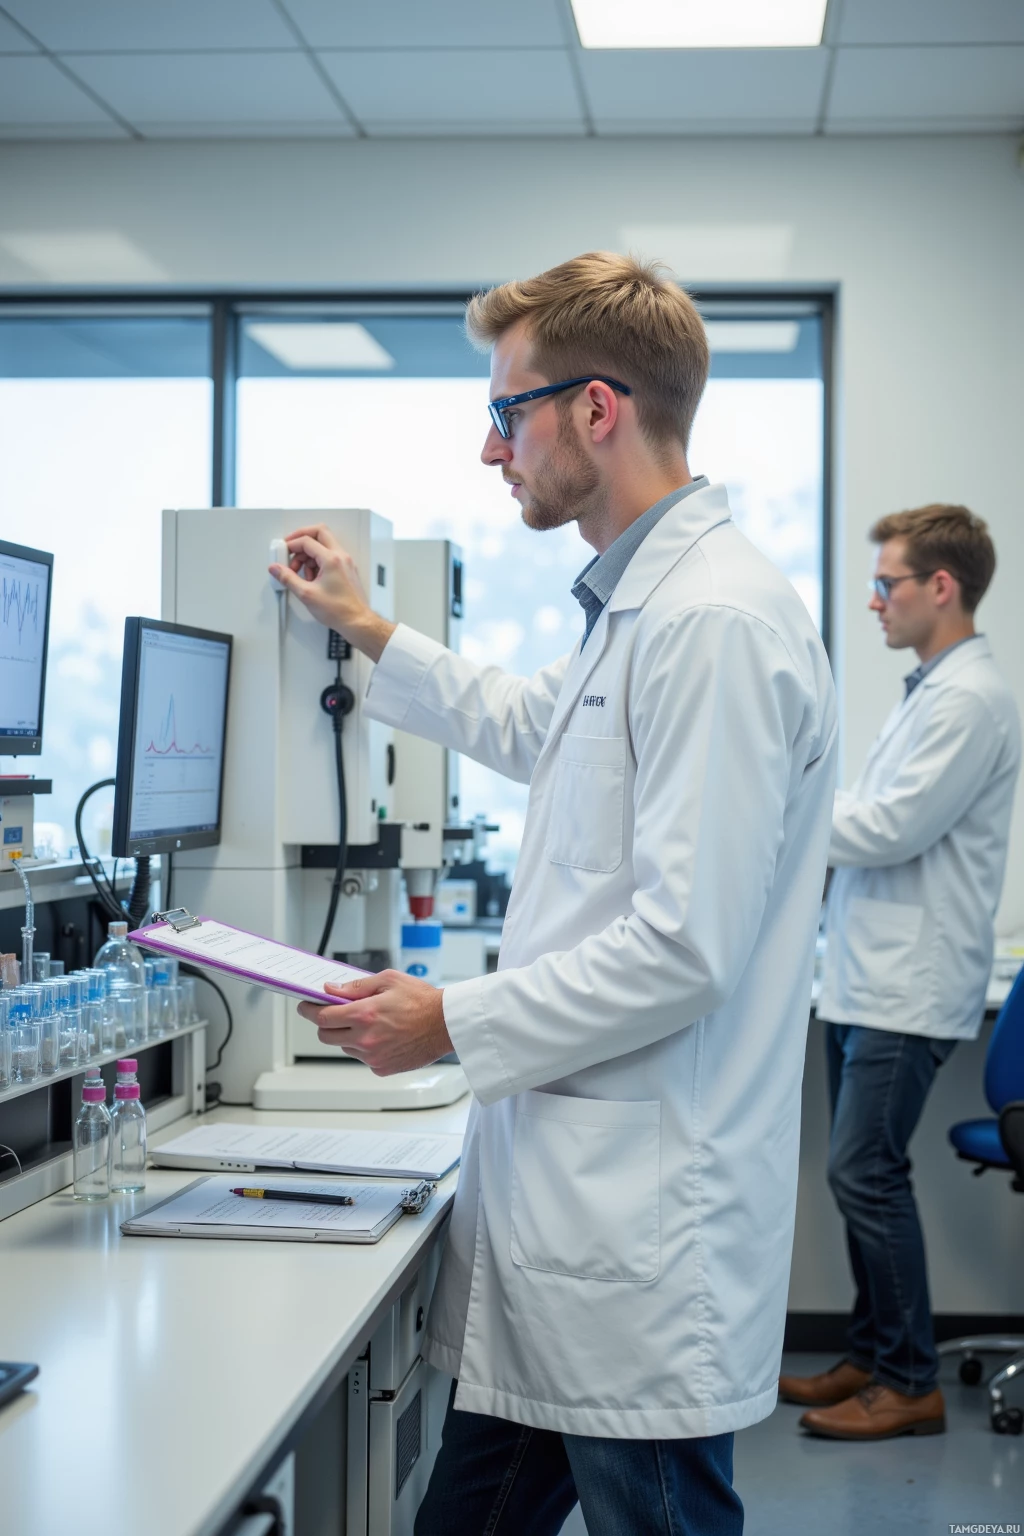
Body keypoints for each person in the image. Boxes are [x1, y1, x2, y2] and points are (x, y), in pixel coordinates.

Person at [270, 253, 838, 1535]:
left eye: (505, 410)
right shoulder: (642, 609)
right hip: (567, 1229)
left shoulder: (712, 623)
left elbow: (683, 949)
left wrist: (449, 1023)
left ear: (595, 409)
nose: (490, 448)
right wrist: (366, 626)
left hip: (633, 1244)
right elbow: (539, 725)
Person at [780, 505, 1021, 1441]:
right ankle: (874, 1356)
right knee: (860, 1174)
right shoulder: (932, 689)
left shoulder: (968, 700)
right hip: (869, 974)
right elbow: (875, 814)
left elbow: (889, 828)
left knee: (863, 1173)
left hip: (907, 985)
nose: (876, 600)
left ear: (942, 587)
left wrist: (777, 809)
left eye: (888, 584)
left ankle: (911, 1380)